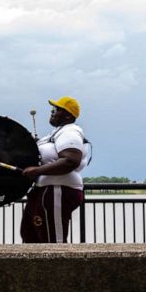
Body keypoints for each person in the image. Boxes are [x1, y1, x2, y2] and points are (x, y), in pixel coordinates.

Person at [20, 96, 90, 243]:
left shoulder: (70, 131)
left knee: (53, 242)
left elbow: (70, 161)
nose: (52, 112)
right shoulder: (56, 133)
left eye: (56, 109)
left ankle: (59, 266)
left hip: (57, 190)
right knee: (30, 235)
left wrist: (37, 171)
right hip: (44, 190)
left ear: (68, 115)